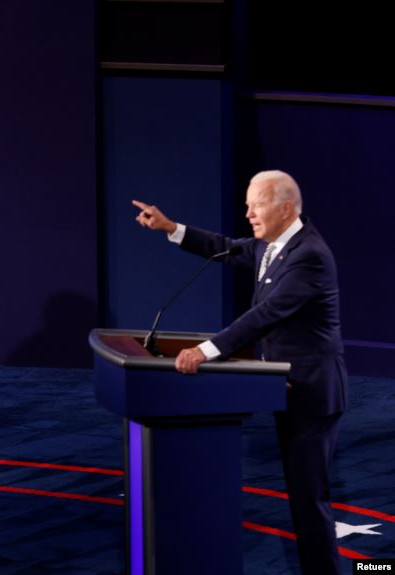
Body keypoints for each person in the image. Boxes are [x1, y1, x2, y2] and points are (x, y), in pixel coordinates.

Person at [132, 170, 346, 575]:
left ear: (285, 208)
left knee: (308, 499)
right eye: (248, 205)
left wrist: (205, 351)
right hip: (288, 385)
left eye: (256, 205)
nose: (248, 214)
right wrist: (171, 228)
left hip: (313, 393)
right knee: (302, 496)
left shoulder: (309, 255)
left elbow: (268, 313)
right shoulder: (272, 244)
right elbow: (225, 248)